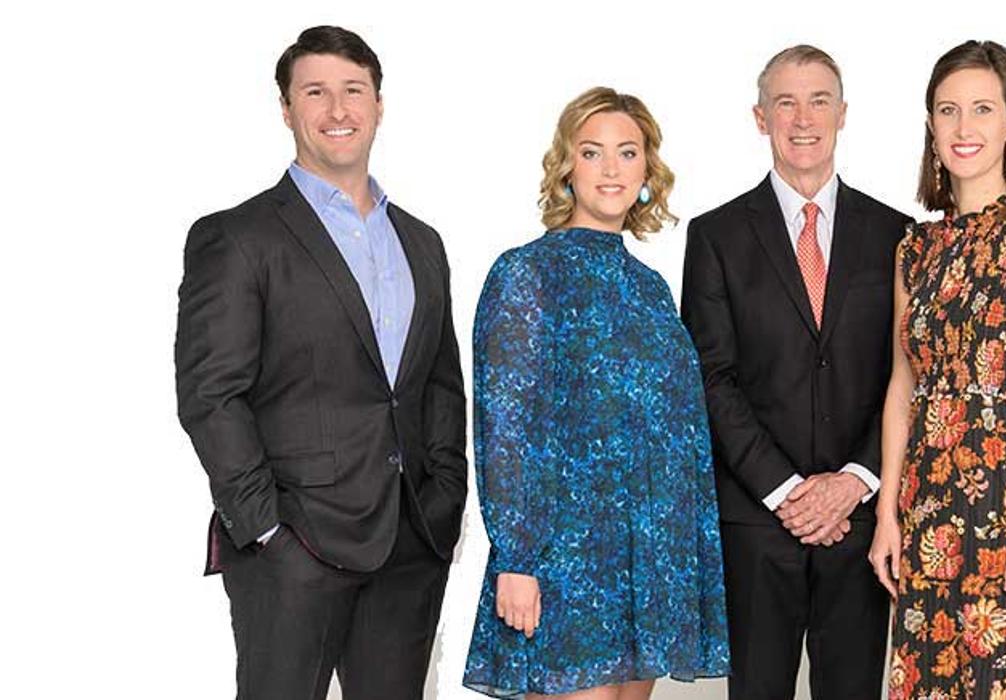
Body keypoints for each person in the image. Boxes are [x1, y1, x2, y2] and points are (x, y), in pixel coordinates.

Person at [174, 26, 467, 700]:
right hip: (293, 547)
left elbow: (440, 384)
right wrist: (264, 527)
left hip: (410, 541)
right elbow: (211, 394)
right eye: (315, 92)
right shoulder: (237, 237)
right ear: (286, 109)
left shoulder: (421, 242)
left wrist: (444, 498)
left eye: (353, 90)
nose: (338, 109)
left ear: (379, 105)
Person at [464, 87, 729, 700]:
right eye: (592, 152)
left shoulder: (650, 286)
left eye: (627, 152)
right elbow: (505, 425)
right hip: (565, 562)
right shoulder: (527, 272)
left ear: (647, 171)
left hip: (650, 566)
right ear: (567, 168)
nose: (611, 168)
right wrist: (516, 558)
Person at [681, 45, 912, 699]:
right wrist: (787, 492)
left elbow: (909, 373)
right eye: (785, 103)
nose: (802, 119)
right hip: (757, 524)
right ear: (761, 118)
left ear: (843, 113)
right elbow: (710, 378)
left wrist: (854, 481)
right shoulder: (715, 235)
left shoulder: (898, 234)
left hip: (862, 523)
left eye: (818, 101)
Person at [869, 40, 1006, 699]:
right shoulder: (916, 249)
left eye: (982, 109)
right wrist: (887, 515)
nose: (963, 128)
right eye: (948, 110)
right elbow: (902, 388)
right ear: (930, 124)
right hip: (928, 515)